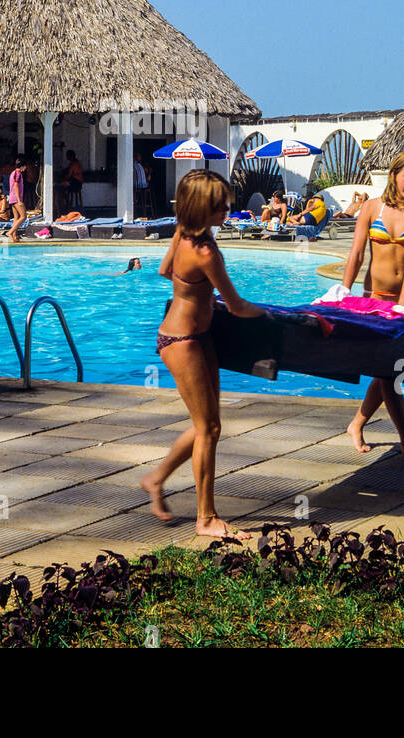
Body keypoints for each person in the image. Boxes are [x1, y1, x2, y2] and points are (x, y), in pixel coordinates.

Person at [140, 170, 267, 539]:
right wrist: (273, 313)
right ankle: (206, 518)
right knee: (209, 428)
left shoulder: (184, 233)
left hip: (192, 334)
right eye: (221, 204)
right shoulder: (205, 251)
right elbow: (239, 306)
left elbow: (166, 270)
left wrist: (194, 296)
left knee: (206, 425)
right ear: (204, 207)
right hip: (184, 342)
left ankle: (155, 479)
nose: (228, 208)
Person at [339, 150, 404, 462]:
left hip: (402, 303)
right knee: (388, 373)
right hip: (372, 299)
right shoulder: (371, 208)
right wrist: (342, 291)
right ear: (394, 174)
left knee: (389, 372)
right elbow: (356, 255)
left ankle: (357, 424)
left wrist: (403, 310)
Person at [6, 156, 27, 243]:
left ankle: (15, 236)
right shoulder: (18, 173)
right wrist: (19, 200)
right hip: (16, 198)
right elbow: (16, 186)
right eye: (25, 166)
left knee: (16, 217)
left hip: (12, 198)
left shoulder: (13, 173)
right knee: (23, 216)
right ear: (22, 166)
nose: (26, 168)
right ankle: (10, 232)